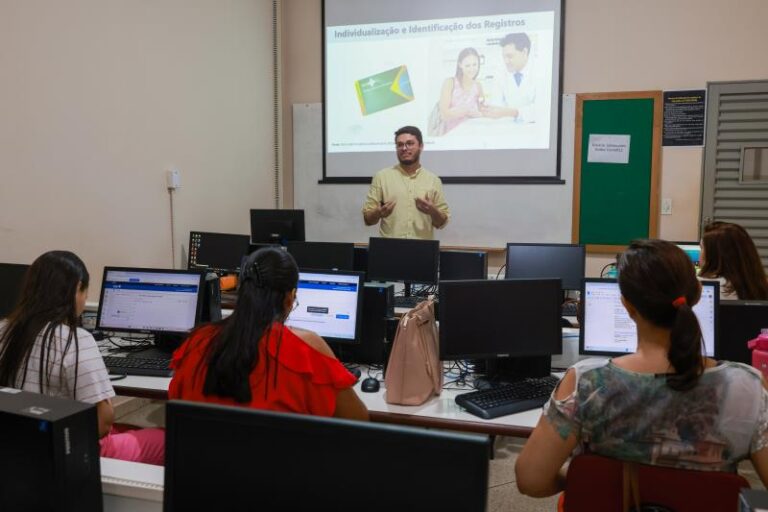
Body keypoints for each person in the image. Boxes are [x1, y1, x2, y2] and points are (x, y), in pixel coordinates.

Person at [515, 239, 768, 497]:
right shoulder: (748, 387)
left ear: (626, 305)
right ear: (698, 293)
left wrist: (582, 476)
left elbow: (531, 480)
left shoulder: (586, 382)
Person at [0, 251, 165, 465]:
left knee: (131, 429)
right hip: (67, 448)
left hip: (18, 444)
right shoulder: (75, 340)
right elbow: (103, 423)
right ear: (78, 288)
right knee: (164, 438)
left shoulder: (4, 329)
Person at [169, 247, 369, 421]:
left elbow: (175, 401)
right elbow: (358, 420)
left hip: (200, 462)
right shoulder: (306, 349)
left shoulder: (197, 341)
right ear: (289, 299)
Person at [362, 126, 450, 239]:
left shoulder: (433, 180)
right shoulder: (381, 177)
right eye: (400, 144)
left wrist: (433, 211)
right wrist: (378, 213)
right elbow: (367, 220)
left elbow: (442, 223)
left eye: (410, 143)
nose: (404, 148)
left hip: (422, 250)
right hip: (389, 249)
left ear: (421, 146)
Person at [699, 221, 768, 300]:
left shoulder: (700, 287)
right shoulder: (761, 285)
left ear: (712, 254)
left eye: (702, 248)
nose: (700, 254)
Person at [482, 33, 538, 122]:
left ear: (524, 52)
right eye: (504, 57)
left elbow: (543, 109)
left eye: (510, 56)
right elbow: (496, 104)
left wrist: (513, 112)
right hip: (508, 128)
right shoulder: (500, 72)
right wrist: (488, 110)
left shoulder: (540, 71)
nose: (506, 61)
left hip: (537, 129)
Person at [438, 47, 484, 133]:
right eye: (467, 65)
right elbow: (444, 115)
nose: (472, 69)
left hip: (473, 132)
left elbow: (483, 112)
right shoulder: (449, 83)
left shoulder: (478, 86)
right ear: (460, 65)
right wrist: (466, 111)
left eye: (475, 64)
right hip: (452, 135)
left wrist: (480, 113)